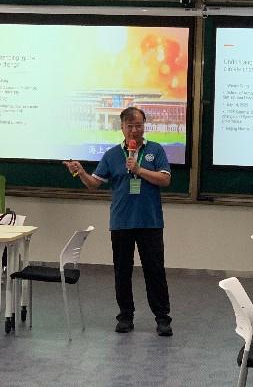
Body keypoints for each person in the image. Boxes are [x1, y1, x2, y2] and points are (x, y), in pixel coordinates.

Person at [63, 107, 173, 336]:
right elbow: (94, 184)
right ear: (122, 127)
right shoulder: (112, 154)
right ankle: (125, 317)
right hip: (121, 222)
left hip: (150, 222)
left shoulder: (155, 150)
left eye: (139, 126)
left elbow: (165, 179)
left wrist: (139, 169)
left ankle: (162, 319)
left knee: (155, 272)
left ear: (144, 126)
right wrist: (80, 172)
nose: (134, 131)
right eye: (130, 126)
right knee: (122, 272)